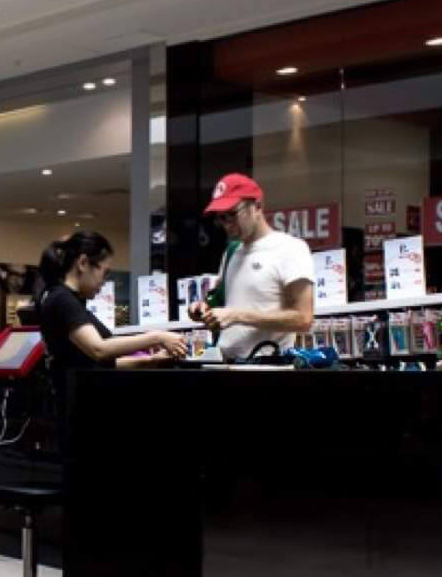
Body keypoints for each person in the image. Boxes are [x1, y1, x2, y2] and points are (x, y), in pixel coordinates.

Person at [35, 231, 186, 412]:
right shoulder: (62, 299)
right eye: (104, 273)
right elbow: (99, 349)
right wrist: (156, 337)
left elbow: (95, 364)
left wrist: (150, 361)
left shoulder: (70, 301)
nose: (104, 282)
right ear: (83, 263)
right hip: (76, 408)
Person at [187, 172, 316, 359]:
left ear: (257, 206)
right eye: (221, 218)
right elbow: (222, 302)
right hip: (224, 362)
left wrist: (236, 316)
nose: (227, 224)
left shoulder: (290, 249)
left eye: (232, 214)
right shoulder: (231, 252)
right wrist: (203, 309)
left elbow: (303, 319)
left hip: (265, 364)